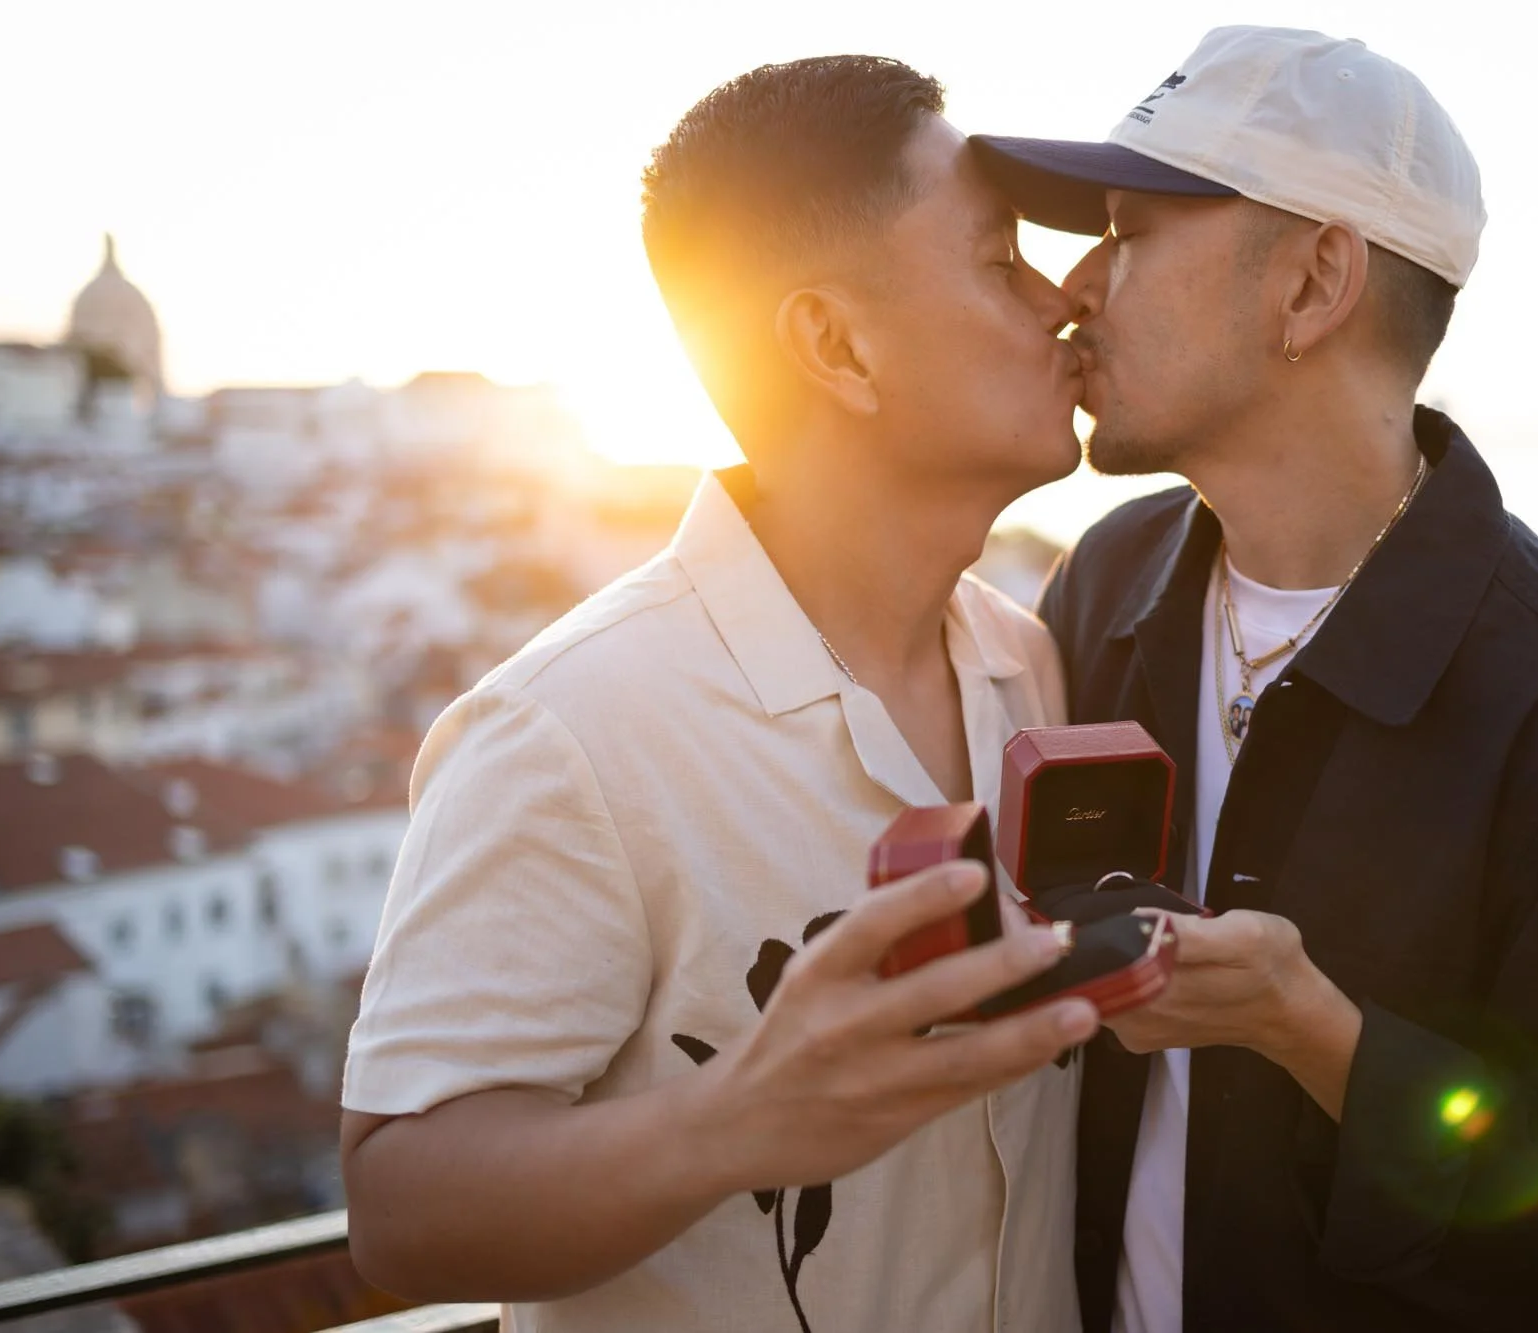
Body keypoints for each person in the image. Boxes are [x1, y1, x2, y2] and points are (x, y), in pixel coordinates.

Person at [973, 26, 1538, 1333]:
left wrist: (1317, 1034)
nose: (1076, 285)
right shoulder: (1111, 582)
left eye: (1129, 229)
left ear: (1313, 282)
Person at [340, 55, 1099, 1333]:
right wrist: (737, 1121)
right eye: (996, 258)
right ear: (835, 344)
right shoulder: (569, 730)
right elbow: (401, 1205)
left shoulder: (1032, 665)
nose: (1058, 302)